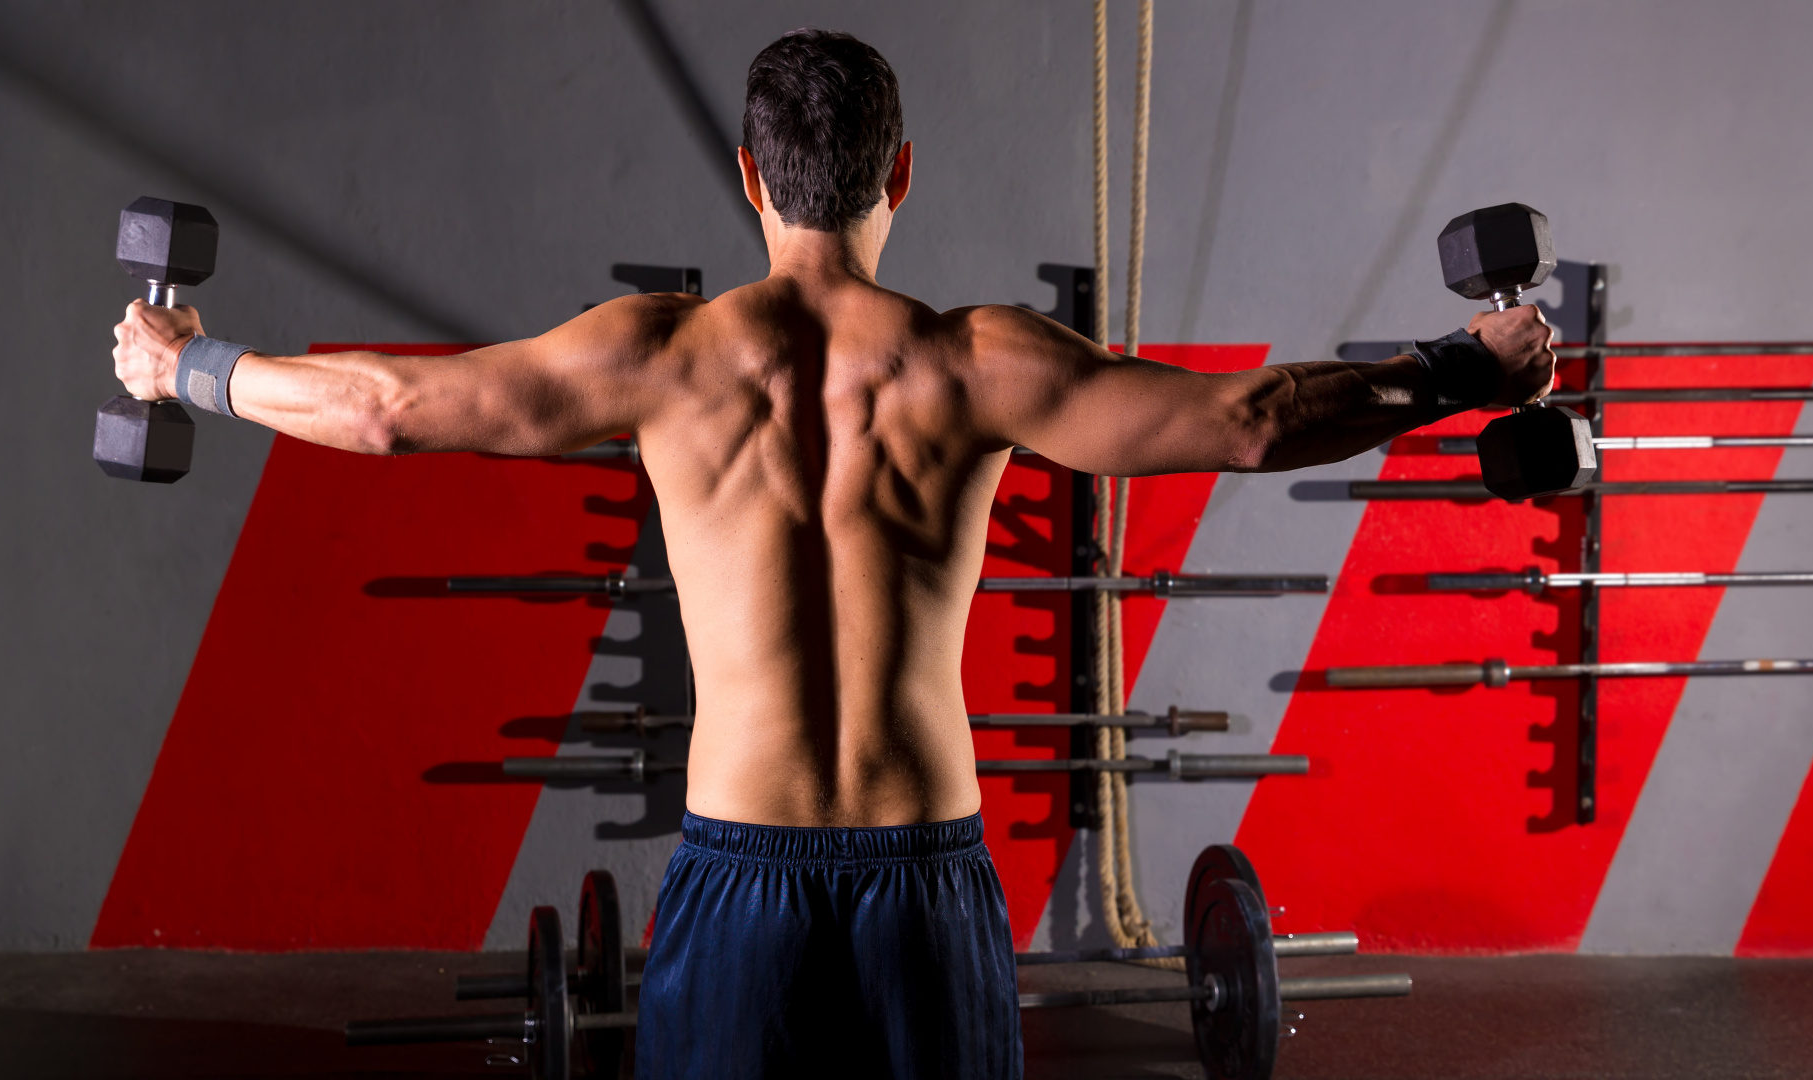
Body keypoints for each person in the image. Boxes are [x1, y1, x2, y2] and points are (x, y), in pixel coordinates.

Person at [111, 28, 1553, 1080]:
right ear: (901, 175)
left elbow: (383, 409)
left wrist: (191, 367)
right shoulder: (976, 362)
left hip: (738, 874)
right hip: (925, 876)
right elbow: (1246, 422)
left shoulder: (664, 359)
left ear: (752, 176)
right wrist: (1465, 367)